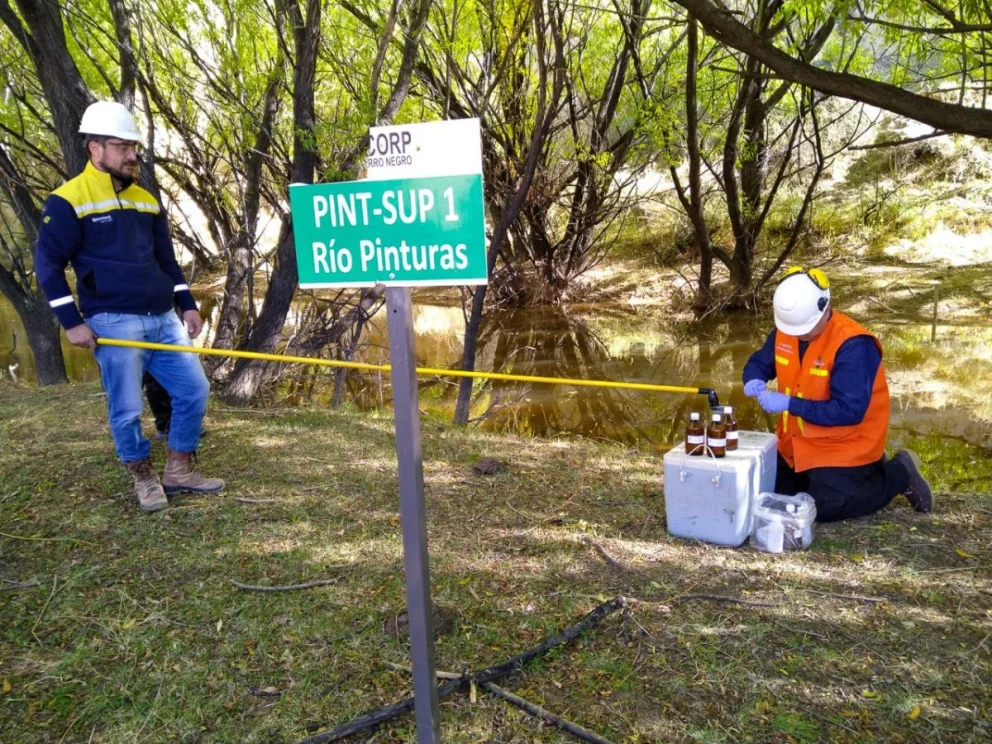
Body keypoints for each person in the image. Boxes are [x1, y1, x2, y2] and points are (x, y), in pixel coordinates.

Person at [34, 100, 224, 512]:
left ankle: (178, 469)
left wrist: (188, 305)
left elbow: (166, 261)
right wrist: (72, 321)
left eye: (133, 146)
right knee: (125, 407)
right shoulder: (67, 200)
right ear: (95, 149)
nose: (132, 154)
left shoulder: (146, 200)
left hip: (164, 320)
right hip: (113, 322)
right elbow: (47, 265)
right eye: (122, 147)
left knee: (194, 391)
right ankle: (142, 473)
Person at [743, 266, 932, 522]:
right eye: (795, 330)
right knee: (771, 495)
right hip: (795, 445)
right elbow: (761, 361)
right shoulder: (789, 327)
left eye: (806, 329)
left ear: (826, 306)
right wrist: (753, 377)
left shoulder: (853, 345)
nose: (800, 335)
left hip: (845, 446)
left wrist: (790, 404)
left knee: (823, 507)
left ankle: (899, 472)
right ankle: (836, 479)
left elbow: (849, 411)